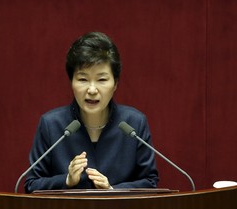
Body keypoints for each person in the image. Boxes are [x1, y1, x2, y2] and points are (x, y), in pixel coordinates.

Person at [24, 32, 159, 193]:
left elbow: (150, 183)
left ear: (115, 84)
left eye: (102, 80)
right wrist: (66, 180)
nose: (92, 90)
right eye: (83, 79)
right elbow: (31, 185)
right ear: (71, 82)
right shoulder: (51, 124)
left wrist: (112, 190)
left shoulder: (134, 124)